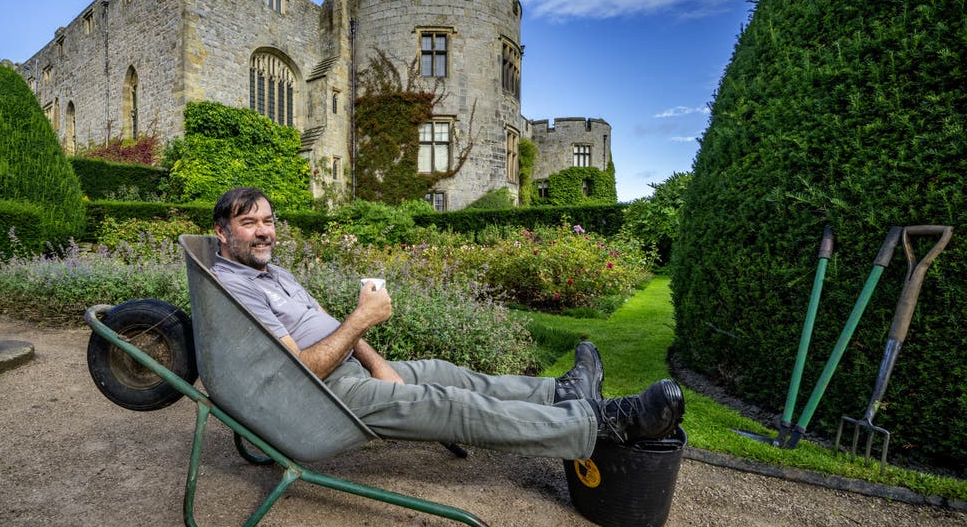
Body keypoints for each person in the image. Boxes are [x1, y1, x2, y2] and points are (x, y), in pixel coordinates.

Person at [209, 187, 683, 460]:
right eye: (250, 223)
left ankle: (560, 394)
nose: (265, 231)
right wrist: (362, 318)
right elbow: (299, 370)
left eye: (268, 220)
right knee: (450, 403)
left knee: (447, 372)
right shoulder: (237, 286)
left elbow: (329, 327)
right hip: (321, 401)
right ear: (222, 232)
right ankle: (603, 423)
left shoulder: (272, 271)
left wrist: (378, 363)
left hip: (348, 374)